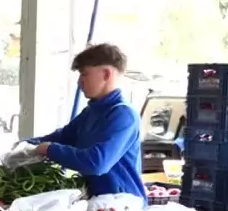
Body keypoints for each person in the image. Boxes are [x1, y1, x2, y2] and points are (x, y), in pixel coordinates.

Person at [27, 43, 146, 202]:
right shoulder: (91, 112)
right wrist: (26, 145)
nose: (79, 82)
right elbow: (62, 136)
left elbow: (96, 163)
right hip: (97, 203)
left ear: (106, 74)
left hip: (122, 208)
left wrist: (48, 149)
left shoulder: (123, 115)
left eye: (84, 74)